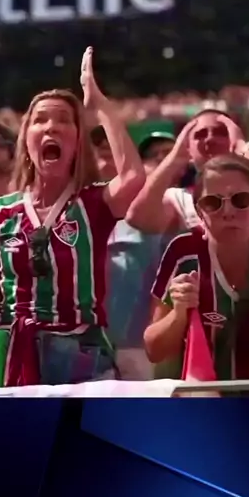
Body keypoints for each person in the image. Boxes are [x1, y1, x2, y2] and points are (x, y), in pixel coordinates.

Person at [0, 46, 145, 386]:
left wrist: (99, 105)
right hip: (13, 352)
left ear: (77, 142)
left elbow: (132, 177)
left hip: (79, 353)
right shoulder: (0, 212)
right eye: (40, 120)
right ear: (26, 139)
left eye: (64, 121)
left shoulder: (92, 202)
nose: (51, 127)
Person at [144, 154, 249, 381]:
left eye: (241, 200)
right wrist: (178, 314)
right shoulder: (184, 253)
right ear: (199, 212)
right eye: (212, 202)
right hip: (206, 397)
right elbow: (153, 350)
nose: (227, 212)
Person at [127, 110, 249, 234]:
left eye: (221, 132)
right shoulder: (180, 200)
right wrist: (174, 157)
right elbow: (139, 219)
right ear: (188, 150)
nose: (210, 139)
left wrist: (242, 147)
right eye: (200, 134)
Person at [96, 130, 177, 380]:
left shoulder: (172, 202)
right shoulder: (86, 208)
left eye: (168, 153)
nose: (161, 159)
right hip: (93, 344)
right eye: (153, 155)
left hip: (142, 347)